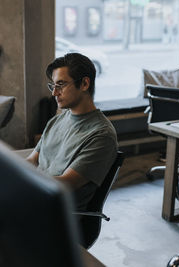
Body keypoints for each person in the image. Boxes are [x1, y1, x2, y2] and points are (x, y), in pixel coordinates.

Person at [26, 53, 118, 212]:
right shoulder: (56, 121)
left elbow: (65, 184)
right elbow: (32, 161)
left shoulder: (102, 135)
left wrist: (22, 185)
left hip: (58, 215)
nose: (54, 93)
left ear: (84, 84)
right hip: (36, 199)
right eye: (53, 86)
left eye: (60, 85)